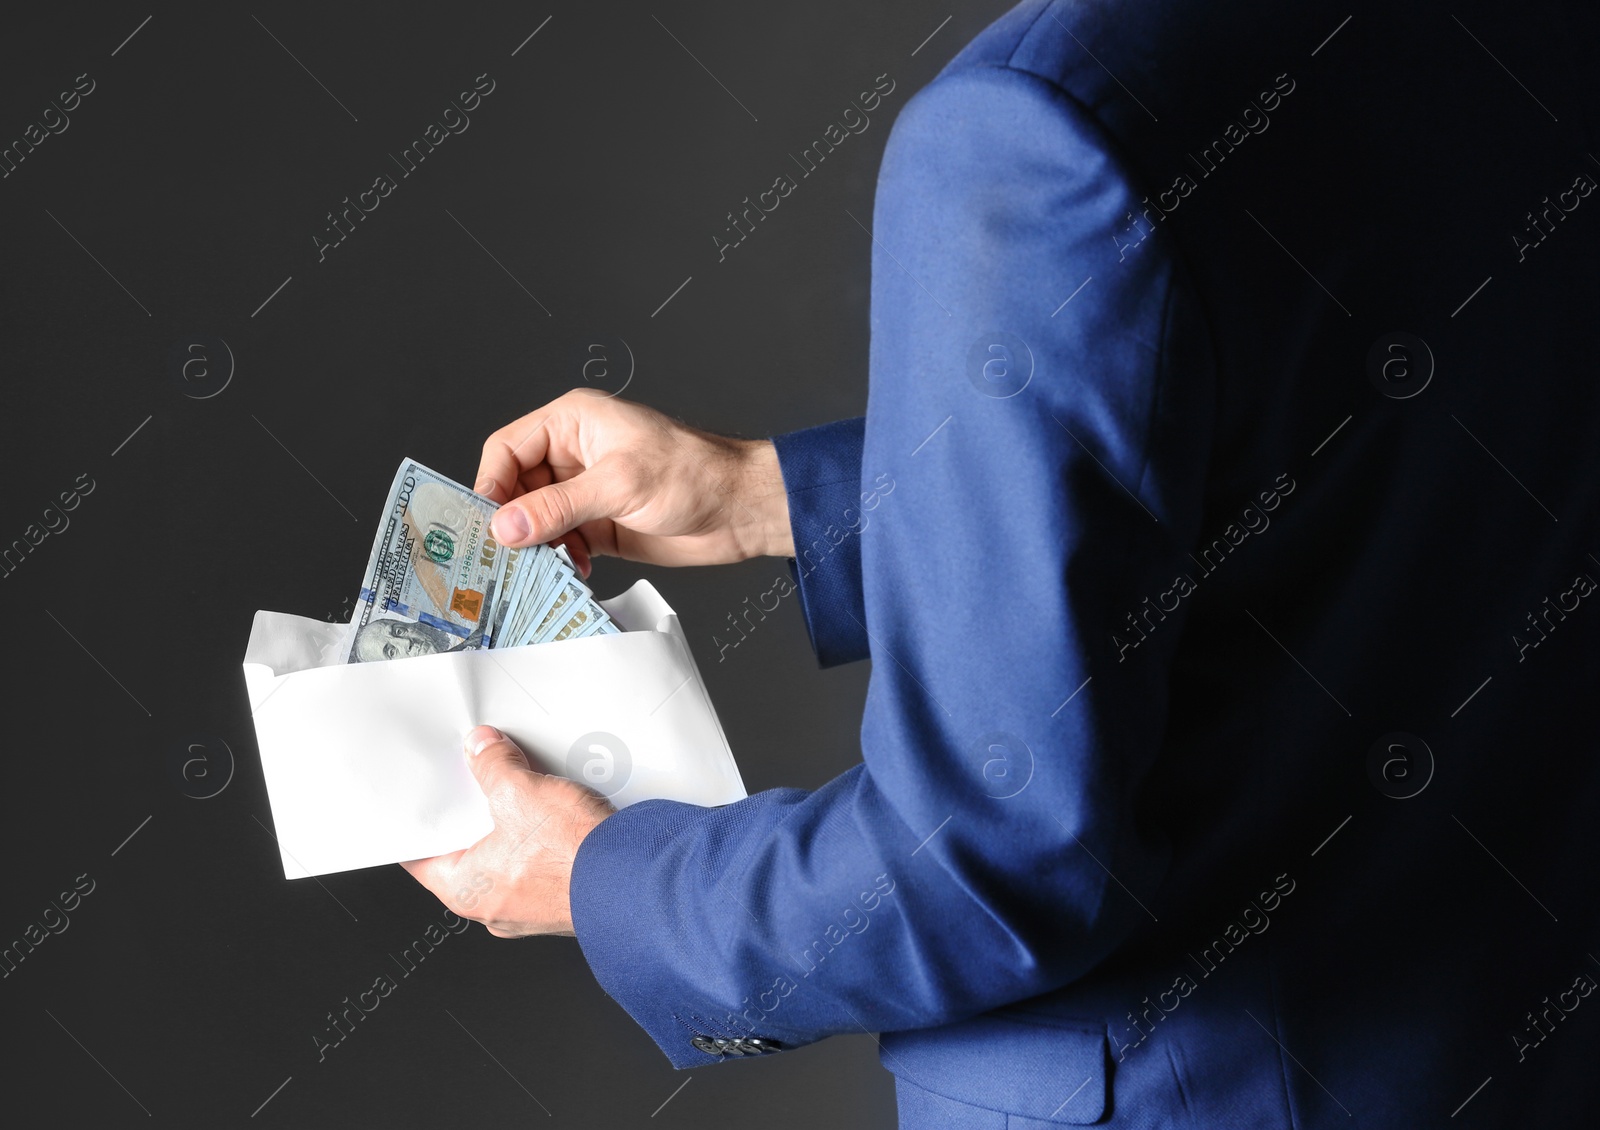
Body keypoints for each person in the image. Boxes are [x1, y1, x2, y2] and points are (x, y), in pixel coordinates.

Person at [402, 0, 1600, 1124]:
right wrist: (778, 495)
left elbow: (986, 857)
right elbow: (1367, 444)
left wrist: (603, 881)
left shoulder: (1026, 132)